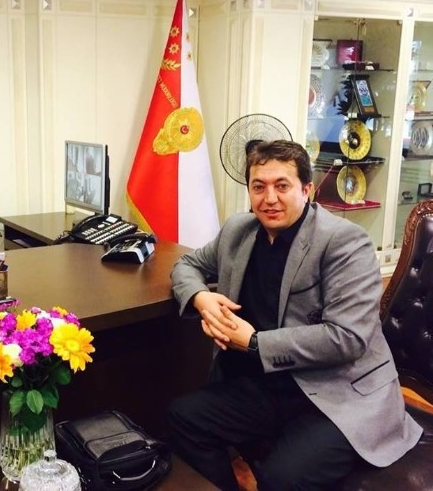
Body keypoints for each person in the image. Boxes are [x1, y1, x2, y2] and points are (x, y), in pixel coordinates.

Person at [167, 140, 421, 490]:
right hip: (269, 385)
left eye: (282, 186)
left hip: (338, 391)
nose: (269, 198)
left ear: (306, 190)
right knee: (183, 418)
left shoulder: (345, 242)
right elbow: (186, 265)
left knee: (281, 478)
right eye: (259, 187)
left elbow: (347, 338)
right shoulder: (238, 231)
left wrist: (254, 343)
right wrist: (201, 298)